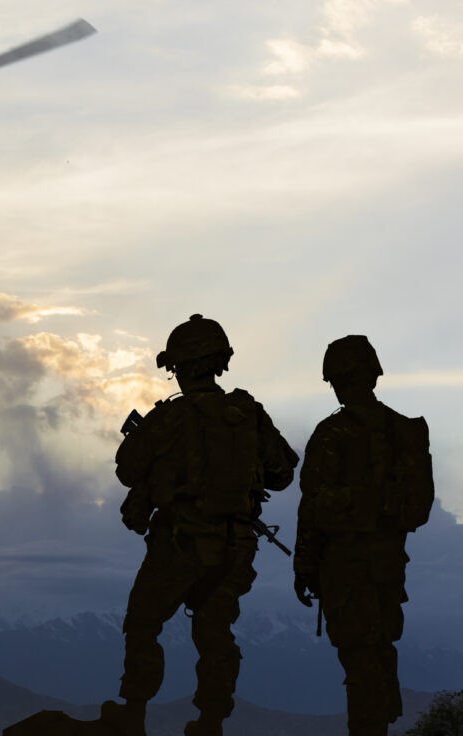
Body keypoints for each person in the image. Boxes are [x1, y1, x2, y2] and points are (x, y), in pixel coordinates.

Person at [104, 313, 298, 736]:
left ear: (178, 366)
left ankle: (133, 715)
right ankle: (211, 722)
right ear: (218, 362)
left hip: (180, 544)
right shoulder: (247, 414)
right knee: (214, 633)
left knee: (143, 623)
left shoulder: (167, 419)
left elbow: (126, 469)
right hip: (235, 546)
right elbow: (283, 473)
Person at [293, 335, 434, 736]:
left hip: (347, 568)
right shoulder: (405, 432)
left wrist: (304, 565)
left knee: (360, 659)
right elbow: (419, 509)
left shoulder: (331, 434)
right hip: (389, 567)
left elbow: (312, 507)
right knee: (377, 652)